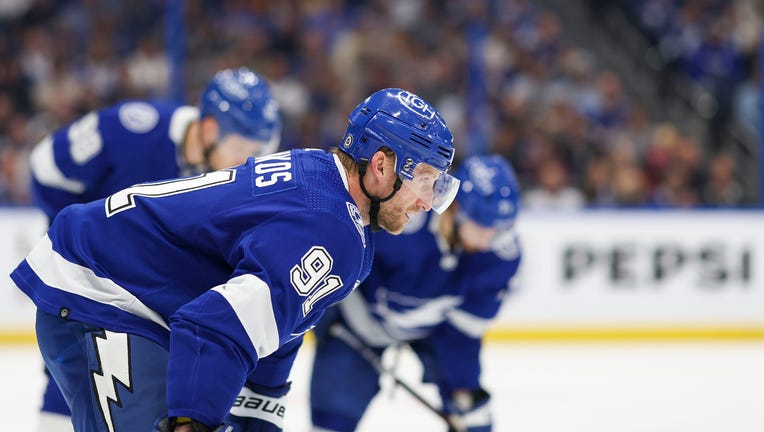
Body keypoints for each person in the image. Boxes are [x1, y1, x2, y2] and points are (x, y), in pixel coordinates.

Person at [10, 88, 460, 432]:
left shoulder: (324, 187)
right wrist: (194, 422)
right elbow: (215, 323)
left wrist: (258, 417)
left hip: (130, 292)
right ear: (380, 166)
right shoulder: (332, 229)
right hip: (100, 291)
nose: (429, 202)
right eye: (424, 179)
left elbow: (275, 328)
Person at [26, 66, 283, 432]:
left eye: (259, 152)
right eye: (243, 148)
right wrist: (78, 230)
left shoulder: (233, 182)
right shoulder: (134, 129)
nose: (249, 163)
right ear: (209, 128)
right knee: (71, 378)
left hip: (146, 308)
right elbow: (45, 167)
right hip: (89, 289)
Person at [310, 154, 522, 432]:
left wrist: (462, 389)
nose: (489, 240)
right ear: (456, 209)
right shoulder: (406, 228)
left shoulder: (499, 258)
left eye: (498, 231)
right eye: (483, 227)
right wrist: (326, 308)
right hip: (359, 325)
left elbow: (463, 333)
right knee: (334, 415)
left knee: (474, 415)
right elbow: (343, 256)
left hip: (433, 331)